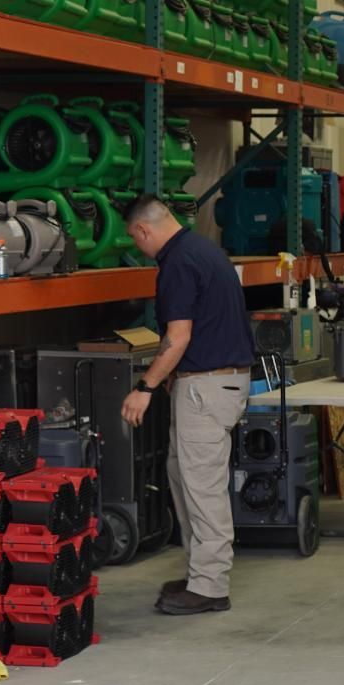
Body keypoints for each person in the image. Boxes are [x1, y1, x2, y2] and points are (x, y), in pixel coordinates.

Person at [120, 195, 255, 616]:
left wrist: (145, 385)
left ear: (143, 231)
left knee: (202, 485)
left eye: (134, 240)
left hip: (207, 388)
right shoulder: (203, 249)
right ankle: (201, 572)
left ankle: (211, 586)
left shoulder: (177, 263)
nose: (138, 248)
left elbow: (178, 338)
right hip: (215, 383)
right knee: (182, 474)